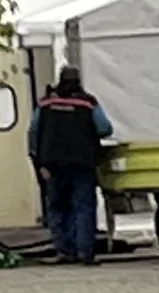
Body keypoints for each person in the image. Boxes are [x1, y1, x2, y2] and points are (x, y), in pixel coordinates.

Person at [30, 60, 117, 262]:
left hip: (53, 165)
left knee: (58, 207)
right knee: (83, 206)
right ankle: (85, 251)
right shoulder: (88, 102)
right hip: (82, 163)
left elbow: (34, 131)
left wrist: (39, 160)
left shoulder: (45, 103)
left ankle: (64, 250)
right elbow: (105, 128)